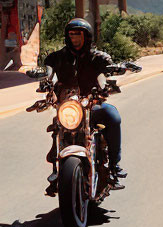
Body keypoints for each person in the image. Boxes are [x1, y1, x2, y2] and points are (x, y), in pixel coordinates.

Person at [42, 18, 128, 190]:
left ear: (86, 37)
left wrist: (107, 82)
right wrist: (46, 81)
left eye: (78, 35)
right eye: (71, 35)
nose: (75, 38)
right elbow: (49, 72)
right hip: (67, 106)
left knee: (113, 116)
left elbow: (105, 72)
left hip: (92, 105)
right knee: (58, 128)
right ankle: (58, 169)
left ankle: (113, 167)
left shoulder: (98, 58)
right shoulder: (56, 57)